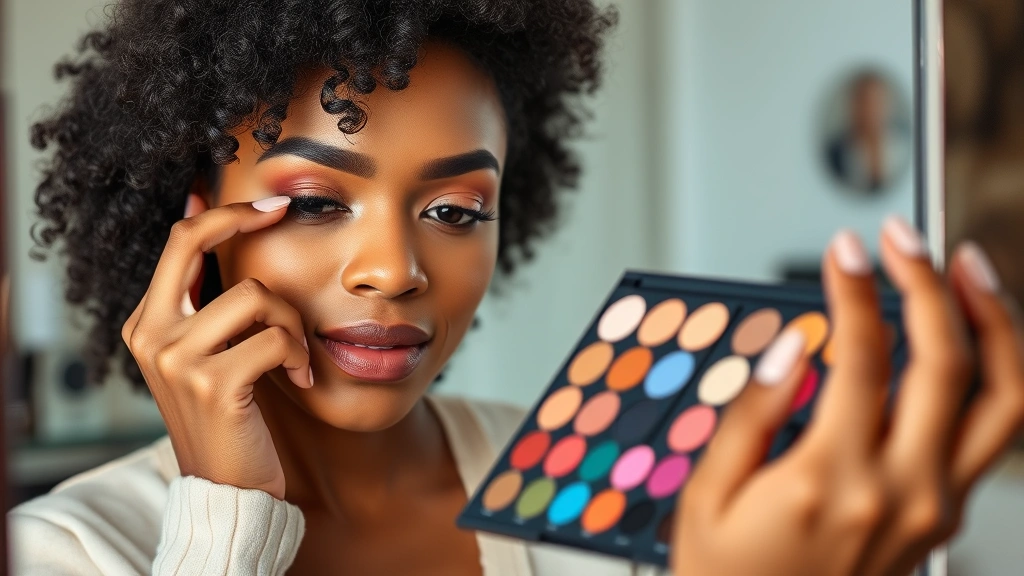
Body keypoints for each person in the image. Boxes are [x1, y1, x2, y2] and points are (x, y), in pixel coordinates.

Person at [9, 1, 1024, 574]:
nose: (395, 270)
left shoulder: (609, 468)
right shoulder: (62, 551)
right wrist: (225, 519)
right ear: (197, 227)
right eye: (316, 201)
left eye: (454, 211)